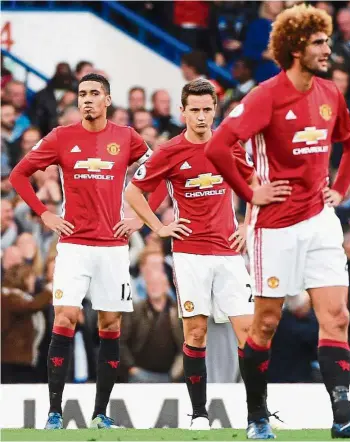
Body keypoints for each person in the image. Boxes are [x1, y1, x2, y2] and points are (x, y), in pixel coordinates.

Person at [205, 4, 350, 439]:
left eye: (327, 40)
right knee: (266, 323)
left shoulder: (330, 93)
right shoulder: (264, 96)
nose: (328, 49)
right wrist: (250, 192)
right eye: (319, 43)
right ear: (294, 48)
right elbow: (218, 147)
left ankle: (343, 417)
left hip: (320, 220)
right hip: (275, 227)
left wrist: (341, 188)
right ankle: (256, 418)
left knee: (338, 316)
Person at [123, 79, 290, 430]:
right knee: (195, 333)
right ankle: (199, 415)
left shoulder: (228, 146)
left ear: (215, 110)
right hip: (189, 254)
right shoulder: (168, 151)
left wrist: (247, 225)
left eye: (206, 109)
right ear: (182, 112)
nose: (201, 117)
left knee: (250, 331)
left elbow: (257, 186)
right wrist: (159, 227)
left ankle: (257, 416)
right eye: (194, 110)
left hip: (230, 254)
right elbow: (134, 193)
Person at [9, 73, 152, 430]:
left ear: (107, 100)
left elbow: (162, 172)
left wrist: (139, 218)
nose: (86, 99)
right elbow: (18, 175)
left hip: (113, 247)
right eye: (82, 94)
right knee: (65, 317)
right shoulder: (62, 136)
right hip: (73, 245)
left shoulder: (126, 137)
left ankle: (101, 413)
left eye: (94, 94)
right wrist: (44, 214)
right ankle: (55, 413)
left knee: (110, 323)